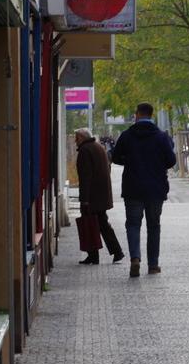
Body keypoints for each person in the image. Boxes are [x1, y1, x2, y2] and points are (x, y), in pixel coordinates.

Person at [111, 103, 177, 277]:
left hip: (133, 187)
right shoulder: (161, 137)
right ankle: (153, 265)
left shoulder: (127, 136)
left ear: (137, 114)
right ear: (151, 115)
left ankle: (135, 258)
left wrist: (132, 161)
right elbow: (171, 161)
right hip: (155, 189)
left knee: (133, 224)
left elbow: (116, 157)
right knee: (153, 226)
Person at [74, 128, 124, 265]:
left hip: (92, 197)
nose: (75, 141)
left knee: (91, 225)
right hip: (101, 195)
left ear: (83, 138)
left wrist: (84, 199)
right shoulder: (98, 147)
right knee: (102, 224)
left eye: (77, 138)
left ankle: (96, 255)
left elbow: (86, 177)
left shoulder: (85, 150)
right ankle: (113, 252)